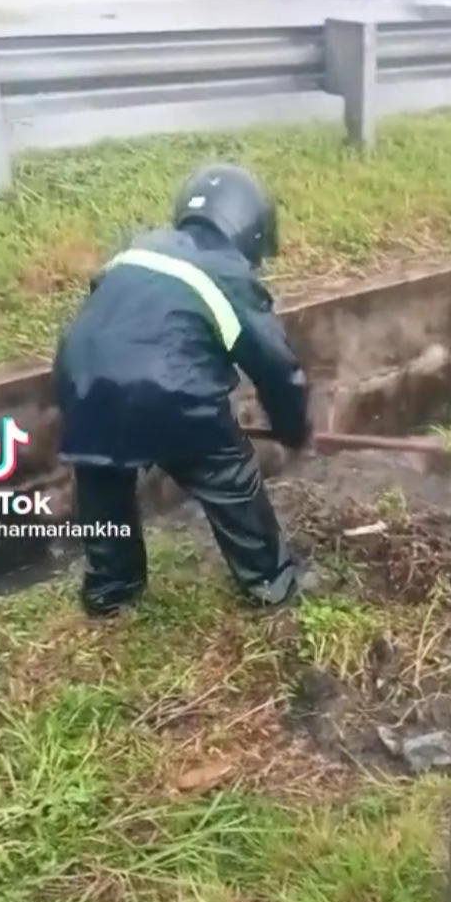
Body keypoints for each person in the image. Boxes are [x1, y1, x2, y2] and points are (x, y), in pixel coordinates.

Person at [53, 163, 311, 617]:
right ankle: (270, 584)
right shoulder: (227, 274)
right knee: (229, 477)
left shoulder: (139, 250)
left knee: (102, 478)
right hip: (170, 393)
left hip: (83, 378)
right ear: (250, 227)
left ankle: (110, 591)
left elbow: (106, 315)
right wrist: (293, 427)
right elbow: (274, 366)